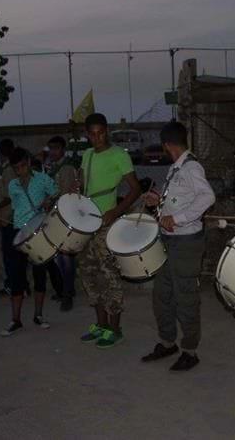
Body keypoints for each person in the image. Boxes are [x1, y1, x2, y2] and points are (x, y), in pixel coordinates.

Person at [140, 121, 215, 371]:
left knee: (185, 298)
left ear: (166, 145)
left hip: (185, 243)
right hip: (168, 242)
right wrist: (158, 201)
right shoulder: (176, 168)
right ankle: (168, 341)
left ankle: (190, 350)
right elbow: (177, 200)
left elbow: (207, 197)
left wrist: (178, 219)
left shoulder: (192, 167)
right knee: (162, 295)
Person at [76, 113, 142, 349]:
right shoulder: (87, 155)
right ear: (87, 134)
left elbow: (135, 189)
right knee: (89, 276)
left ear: (107, 131)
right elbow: (83, 186)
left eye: (101, 133)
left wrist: (116, 211)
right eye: (92, 134)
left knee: (110, 276)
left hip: (107, 224)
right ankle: (101, 326)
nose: (97, 138)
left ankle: (115, 329)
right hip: (86, 225)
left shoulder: (119, 155)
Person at [0, 147, 62, 337]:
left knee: (39, 274)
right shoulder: (13, 185)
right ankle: (16, 319)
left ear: (28, 162)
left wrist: (49, 202)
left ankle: (38, 315)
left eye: (23, 166)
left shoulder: (42, 179)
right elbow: (15, 206)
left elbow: (58, 194)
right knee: (16, 276)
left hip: (39, 230)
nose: (21, 170)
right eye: (17, 168)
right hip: (19, 231)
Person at [45, 135, 78, 311]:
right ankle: (66, 290)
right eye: (50, 148)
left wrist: (49, 201)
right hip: (57, 216)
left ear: (62, 149)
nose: (52, 152)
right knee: (61, 257)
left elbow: (65, 193)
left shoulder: (65, 168)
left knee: (65, 257)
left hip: (64, 216)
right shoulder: (53, 167)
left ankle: (67, 293)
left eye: (56, 148)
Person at [0, 139, 17, 297]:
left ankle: (13, 285)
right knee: (10, 255)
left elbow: (10, 196)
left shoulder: (10, 170)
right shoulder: (5, 169)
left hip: (10, 217)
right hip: (6, 217)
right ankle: (15, 284)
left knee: (10, 255)